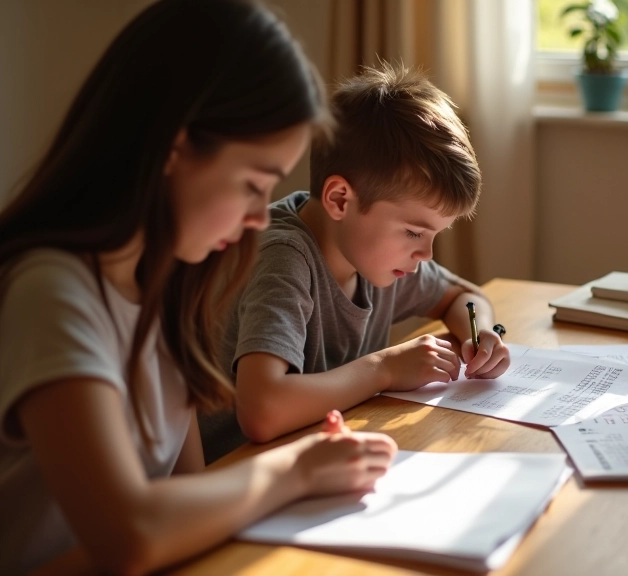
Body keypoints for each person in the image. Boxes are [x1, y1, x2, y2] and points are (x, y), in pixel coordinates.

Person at [0, 1, 397, 573]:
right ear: (175, 150)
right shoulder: (51, 293)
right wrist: (298, 470)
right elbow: (129, 533)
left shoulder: (163, 283)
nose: (262, 217)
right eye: (252, 185)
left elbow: (189, 489)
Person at [199, 63, 510, 462]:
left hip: (313, 460)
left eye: (436, 235)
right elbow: (262, 411)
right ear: (340, 200)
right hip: (237, 476)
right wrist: (385, 369)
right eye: (415, 232)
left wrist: (478, 333)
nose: (425, 255)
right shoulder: (282, 259)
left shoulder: (372, 254)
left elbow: (464, 296)